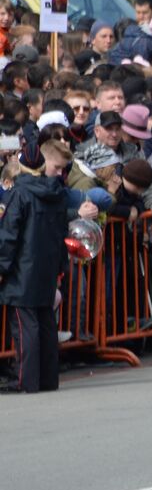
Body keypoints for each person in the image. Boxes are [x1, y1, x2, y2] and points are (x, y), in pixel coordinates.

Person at [0, 145, 70, 392]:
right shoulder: (57, 192)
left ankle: (25, 380)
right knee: (46, 321)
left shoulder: (19, 194)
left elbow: (9, 236)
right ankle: (48, 379)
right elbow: (62, 234)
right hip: (46, 266)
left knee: (25, 325)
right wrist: (61, 266)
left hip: (23, 269)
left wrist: (2, 266)